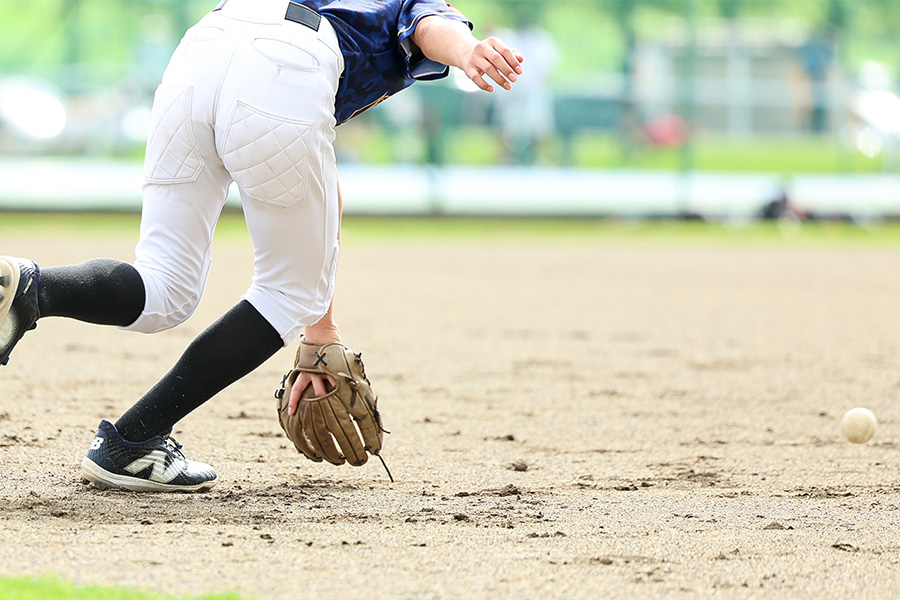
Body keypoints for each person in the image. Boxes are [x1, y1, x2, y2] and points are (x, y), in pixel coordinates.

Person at [0, 0, 523, 492]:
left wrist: (323, 325)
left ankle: (30, 285)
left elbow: (320, 184)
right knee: (285, 293)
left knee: (162, 284)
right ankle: (133, 440)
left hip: (203, 48)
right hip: (287, 62)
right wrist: (468, 51)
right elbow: (428, 22)